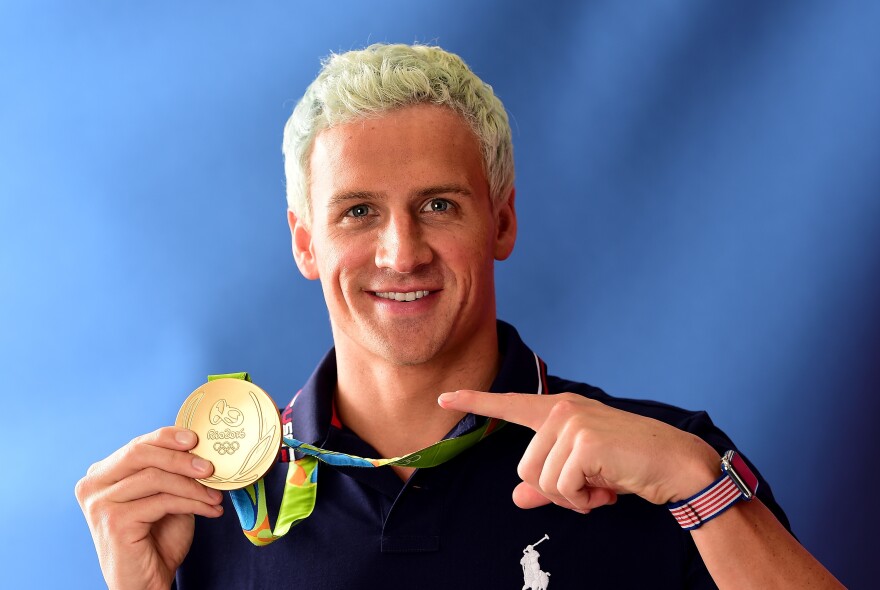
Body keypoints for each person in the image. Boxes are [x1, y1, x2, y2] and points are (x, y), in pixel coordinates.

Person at [76, 43, 843, 589]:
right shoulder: (212, 507)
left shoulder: (672, 469)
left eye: (438, 205)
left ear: (502, 223)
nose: (400, 252)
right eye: (357, 212)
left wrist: (697, 487)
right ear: (306, 243)